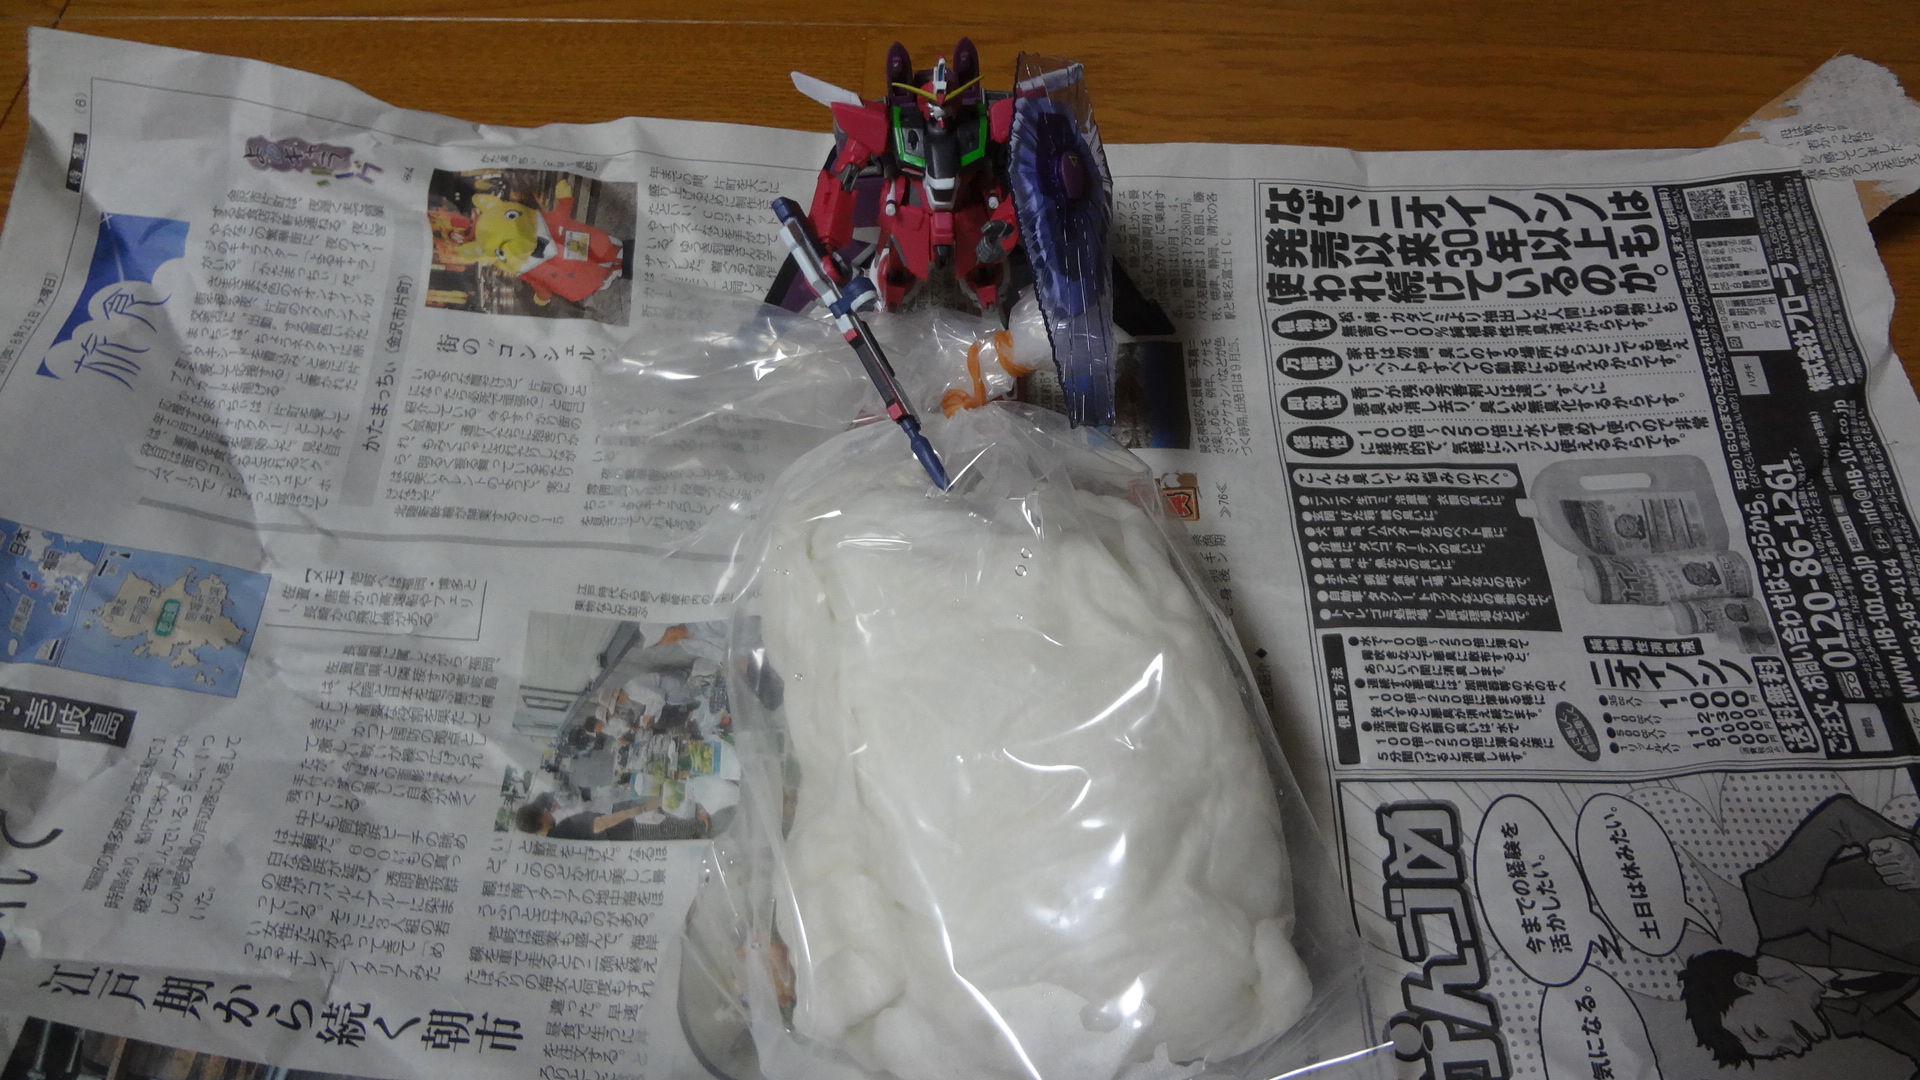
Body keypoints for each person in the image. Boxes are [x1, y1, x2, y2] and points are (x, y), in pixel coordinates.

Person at [1679, 793, 1920, 1072]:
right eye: (1780, 1052)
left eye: (1760, 1032)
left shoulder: (1774, 901)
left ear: (1748, 981)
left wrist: (1897, 849)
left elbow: (1839, 818)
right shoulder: (1846, 1013)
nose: (1796, 1047)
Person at [513, 792, 709, 841]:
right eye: (544, 811)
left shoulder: (553, 839)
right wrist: (631, 812)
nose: (548, 811)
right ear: (540, 819)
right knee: (661, 828)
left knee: (659, 833)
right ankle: (701, 825)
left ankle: (693, 831)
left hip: (617, 844)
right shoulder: (564, 828)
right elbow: (599, 823)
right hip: (622, 830)